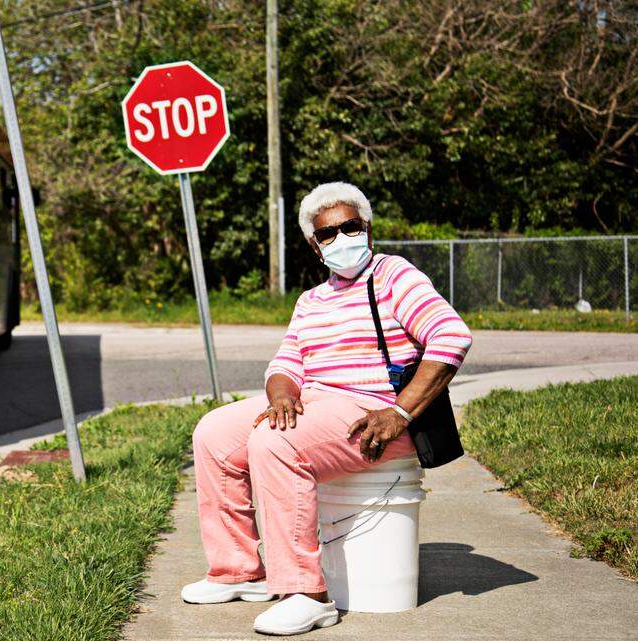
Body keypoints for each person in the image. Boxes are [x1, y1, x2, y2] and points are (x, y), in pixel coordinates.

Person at [180, 182, 472, 635]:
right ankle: (238, 571)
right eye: (327, 235)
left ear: (367, 230)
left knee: (276, 442)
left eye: (348, 227)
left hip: (372, 413)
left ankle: (306, 593)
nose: (340, 239)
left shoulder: (394, 275)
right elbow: (285, 364)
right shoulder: (311, 300)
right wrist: (281, 393)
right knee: (214, 433)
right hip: (316, 405)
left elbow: (451, 337)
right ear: (316, 248)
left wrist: (400, 414)